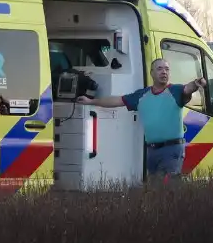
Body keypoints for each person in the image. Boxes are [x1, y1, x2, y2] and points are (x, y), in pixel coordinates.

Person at [77, 59, 205, 176]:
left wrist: (196, 83)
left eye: (166, 69)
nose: (164, 72)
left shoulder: (175, 90)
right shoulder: (142, 95)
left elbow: (188, 88)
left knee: (168, 191)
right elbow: (117, 100)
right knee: (155, 192)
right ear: (152, 73)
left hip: (171, 150)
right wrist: (91, 101)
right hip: (152, 151)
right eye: (160, 69)